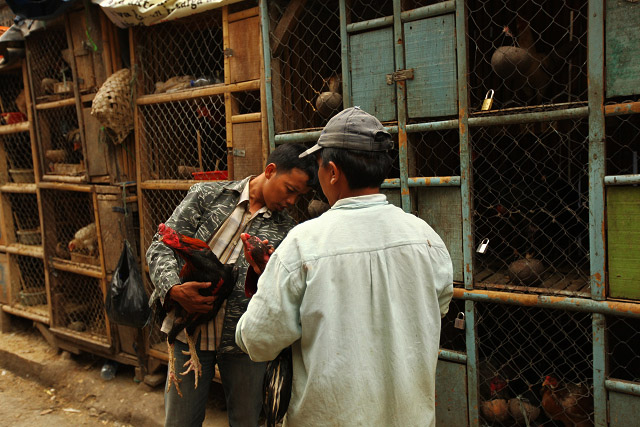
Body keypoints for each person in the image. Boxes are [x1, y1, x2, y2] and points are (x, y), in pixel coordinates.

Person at [236, 107, 454, 426]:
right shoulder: (426, 239)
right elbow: (440, 307)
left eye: (321, 166)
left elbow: (256, 340)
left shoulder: (303, 244)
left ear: (334, 173)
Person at [146, 143, 318, 427]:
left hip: (244, 342)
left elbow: (282, 291)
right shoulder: (207, 195)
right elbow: (160, 247)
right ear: (270, 171)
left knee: (246, 421)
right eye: (290, 190)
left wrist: (262, 271)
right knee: (180, 421)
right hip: (189, 329)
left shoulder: (288, 231)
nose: (292, 201)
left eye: (300, 196)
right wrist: (174, 288)